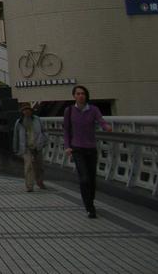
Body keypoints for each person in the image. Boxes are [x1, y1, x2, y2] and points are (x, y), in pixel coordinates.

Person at [62, 84, 111, 218]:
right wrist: (67, 146)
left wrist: (106, 126)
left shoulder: (93, 109)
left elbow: (101, 120)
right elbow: (66, 130)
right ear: (74, 96)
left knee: (91, 179)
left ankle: (91, 200)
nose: (80, 96)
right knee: (84, 178)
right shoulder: (69, 111)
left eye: (82, 93)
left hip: (91, 148)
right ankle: (89, 207)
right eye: (77, 94)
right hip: (77, 148)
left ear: (86, 95)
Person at [12, 102, 47, 192]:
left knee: (39, 166)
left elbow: (44, 131)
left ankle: (40, 181)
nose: (27, 112)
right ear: (22, 112)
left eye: (28, 110)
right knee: (28, 166)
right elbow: (16, 136)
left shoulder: (37, 119)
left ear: (31, 111)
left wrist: (44, 140)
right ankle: (29, 185)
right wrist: (15, 148)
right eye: (24, 110)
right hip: (26, 147)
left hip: (37, 145)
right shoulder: (19, 122)